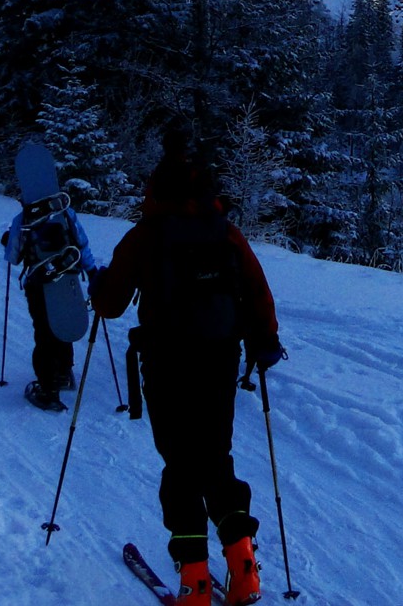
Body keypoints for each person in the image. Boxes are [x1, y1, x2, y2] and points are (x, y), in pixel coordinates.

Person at [91, 131, 283, 606]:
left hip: (167, 358)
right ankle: (243, 566)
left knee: (180, 462)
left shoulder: (146, 235)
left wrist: (98, 287)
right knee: (215, 457)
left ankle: (194, 581)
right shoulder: (225, 233)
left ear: (156, 191)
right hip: (220, 357)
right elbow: (257, 290)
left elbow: (111, 304)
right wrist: (265, 343)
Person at [3, 191, 96, 411]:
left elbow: (13, 256)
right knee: (63, 323)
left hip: (39, 283)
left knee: (44, 331)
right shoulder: (67, 213)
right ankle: (63, 373)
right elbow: (82, 244)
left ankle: (47, 389)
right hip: (68, 280)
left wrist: (7, 240)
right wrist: (92, 272)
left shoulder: (23, 219)